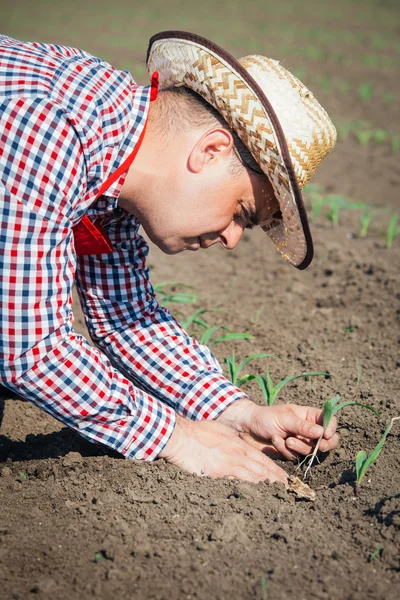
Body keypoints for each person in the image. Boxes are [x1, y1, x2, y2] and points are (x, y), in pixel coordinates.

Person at [0, 31, 339, 487]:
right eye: (242, 213)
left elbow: (125, 317)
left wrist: (236, 413)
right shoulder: (48, 127)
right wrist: (177, 437)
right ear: (211, 150)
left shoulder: (117, 157)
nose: (233, 238)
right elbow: (29, 348)